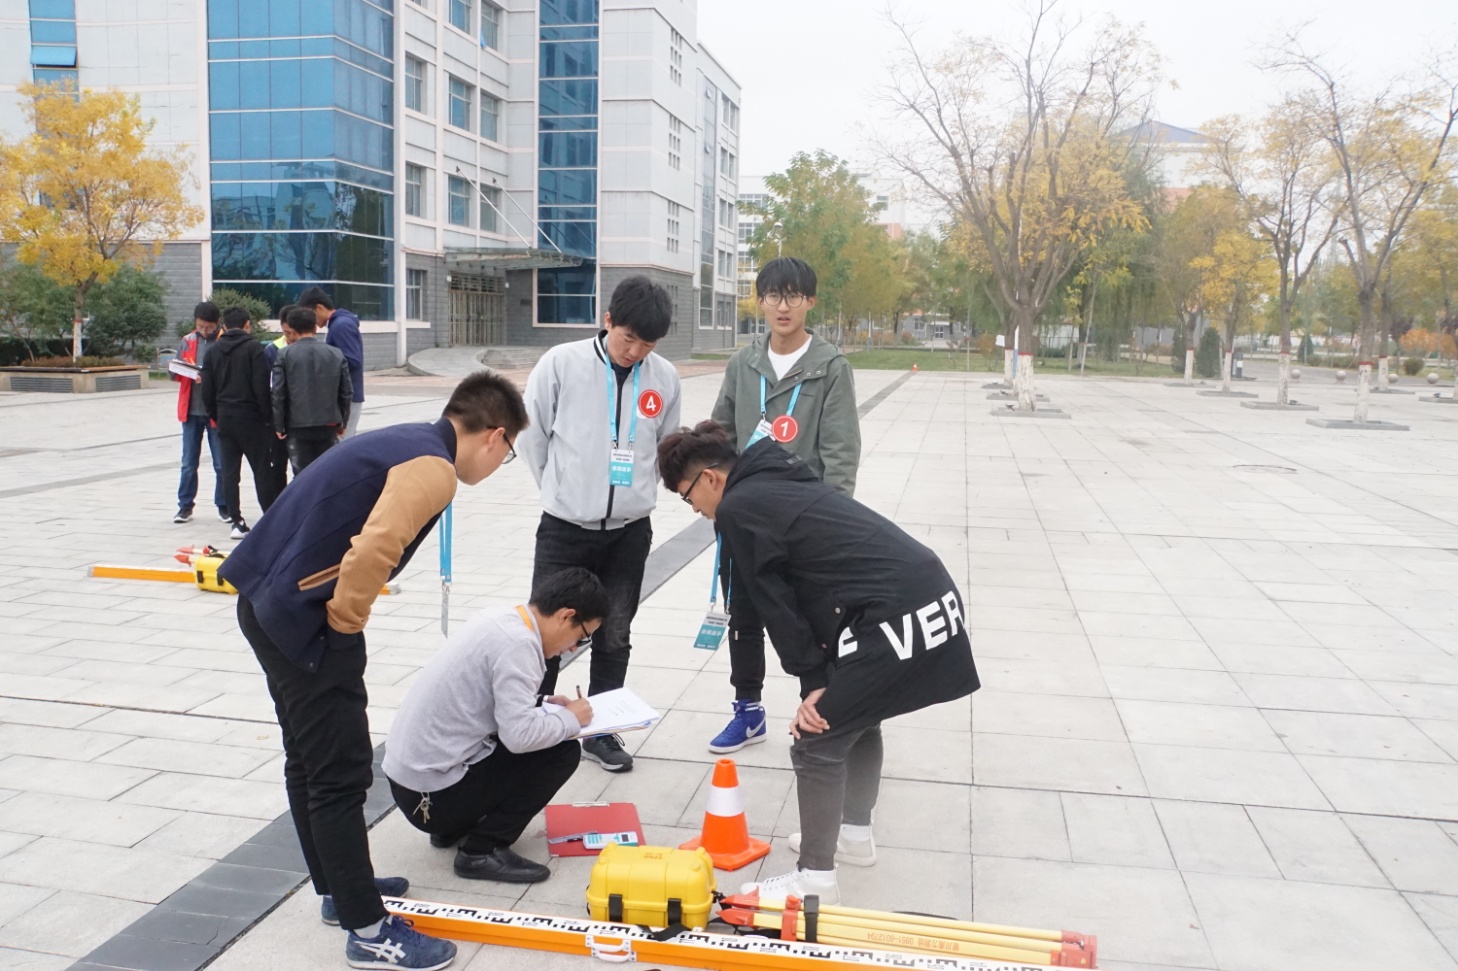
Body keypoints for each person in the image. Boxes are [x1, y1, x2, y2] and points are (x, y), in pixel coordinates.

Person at [218, 372, 528, 971]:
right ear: (494, 436)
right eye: (507, 452)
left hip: (267, 602)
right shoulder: (433, 468)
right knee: (339, 772)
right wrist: (343, 631)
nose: (499, 463)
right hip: (305, 619)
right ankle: (368, 930)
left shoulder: (408, 439)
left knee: (308, 760)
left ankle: (341, 891)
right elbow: (372, 552)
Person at [658, 422, 979, 905]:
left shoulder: (740, 507)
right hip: (926, 591)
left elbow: (775, 604)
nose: (696, 510)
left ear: (710, 478)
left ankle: (815, 880)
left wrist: (813, 681)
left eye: (688, 497)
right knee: (859, 718)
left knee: (817, 737)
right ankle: (853, 836)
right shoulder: (777, 475)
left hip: (897, 611)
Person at [517, 275, 681, 774]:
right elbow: (533, 436)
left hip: (629, 531)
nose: (635, 351)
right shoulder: (561, 364)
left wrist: (634, 495)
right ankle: (533, 727)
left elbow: (666, 445)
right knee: (546, 633)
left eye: (647, 344)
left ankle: (601, 732)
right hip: (565, 527)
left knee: (615, 633)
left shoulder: (664, 378)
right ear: (607, 320)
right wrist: (562, 490)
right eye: (628, 337)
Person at [707, 257, 862, 755]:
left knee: (812, 621)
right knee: (744, 616)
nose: (783, 306)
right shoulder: (743, 363)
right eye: (773, 295)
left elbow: (840, 453)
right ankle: (748, 711)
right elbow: (721, 436)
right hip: (747, 518)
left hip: (803, 523)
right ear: (761, 301)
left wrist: (833, 524)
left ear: (810, 301)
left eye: (794, 295)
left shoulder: (830, 367)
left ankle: (819, 712)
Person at [383, 568, 607, 884]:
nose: (573, 648)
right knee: (563, 751)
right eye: (582, 637)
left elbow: (483, 695)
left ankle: (453, 828)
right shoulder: (521, 646)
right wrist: (572, 719)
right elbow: (519, 738)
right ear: (566, 615)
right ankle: (481, 850)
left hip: (410, 784)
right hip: (432, 798)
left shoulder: (502, 619)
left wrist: (542, 702)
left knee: (543, 731)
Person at [202, 306, 279, 540]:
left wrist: (216, 415)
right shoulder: (254, 348)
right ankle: (270, 518)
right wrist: (267, 418)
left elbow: (207, 391)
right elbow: (261, 387)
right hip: (251, 417)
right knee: (262, 470)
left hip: (225, 417)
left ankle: (236, 521)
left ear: (224, 326)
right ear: (247, 325)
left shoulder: (213, 351)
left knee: (229, 472)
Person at [272, 307, 353, 474]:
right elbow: (346, 392)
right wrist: (343, 422)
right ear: (315, 327)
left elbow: (278, 392)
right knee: (327, 471)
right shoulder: (336, 353)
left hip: (297, 424)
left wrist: (279, 424)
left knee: (302, 474)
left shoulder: (284, 354)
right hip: (329, 422)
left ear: (292, 330)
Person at [172, 301, 226, 524]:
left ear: (217, 323)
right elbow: (174, 373)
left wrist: (209, 378)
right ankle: (185, 506)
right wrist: (180, 369)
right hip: (191, 410)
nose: (204, 331)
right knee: (188, 462)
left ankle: (224, 505)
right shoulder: (187, 341)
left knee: (221, 463)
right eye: (200, 326)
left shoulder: (224, 342)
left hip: (216, 411)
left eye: (208, 327)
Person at [297, 286, 365, 438]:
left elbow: (353, 361)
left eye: (309, 314)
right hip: (344, 396)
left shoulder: (341, 326)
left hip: (346, 397)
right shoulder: (338, 324)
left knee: (341, 444)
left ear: (319, 308)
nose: (310, 321)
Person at [263, 304, 298, 498]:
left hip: (301, 417)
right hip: (277, 418)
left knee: (300, 465)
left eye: (292, 333)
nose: (290, 337)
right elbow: (270, 388)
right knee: (277, 464)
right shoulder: (272, 350)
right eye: (286, 333)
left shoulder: (308, 348)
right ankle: (279, 502)